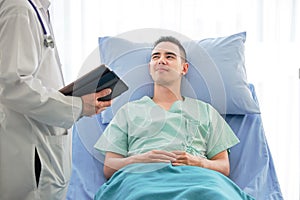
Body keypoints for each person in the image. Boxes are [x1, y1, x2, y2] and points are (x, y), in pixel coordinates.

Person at [93, 36, 254, 199]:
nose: (161, 61)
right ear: (150, 68)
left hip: (199, 180)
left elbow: (223, 166)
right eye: (156, 57)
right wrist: (140, 159)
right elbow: (109, 167)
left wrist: (198, 162)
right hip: (141, 180)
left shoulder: (206, 111)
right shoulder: (128, 111)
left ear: (184, 68)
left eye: (169, 56)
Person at [0, 0, 112, 199]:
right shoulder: (19, 9)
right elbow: (14, 83)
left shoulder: (38, 9)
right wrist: (77, 105)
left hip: (45, 148)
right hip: (32, 155)